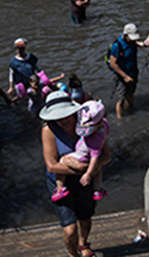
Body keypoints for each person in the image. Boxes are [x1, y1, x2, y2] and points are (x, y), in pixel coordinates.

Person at [39, 91, 110, 257]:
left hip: (86, 179)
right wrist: (82, 169)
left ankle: (83, 244)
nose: (63, 120)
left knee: (85, 218)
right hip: (60, 183)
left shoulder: (92, 123)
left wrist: (82, 168)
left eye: (66, 115)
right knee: (70, 230)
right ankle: (73, 254)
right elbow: (52, 166)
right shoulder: (48, 130)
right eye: (58, 117)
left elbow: (106, 157)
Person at [52, 100, 109, 203]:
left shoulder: (93, 140)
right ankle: (97, 190)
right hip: (89, 158)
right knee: (98, 169)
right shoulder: (103, 126)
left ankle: (60, 189)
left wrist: (87, 173)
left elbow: (95, 158)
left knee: (63, 160)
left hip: (81, 156)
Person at [109, 23, 145, 118]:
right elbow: (113, 64)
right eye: (131, 37)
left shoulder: (132, 42)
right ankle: (120, 119)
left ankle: (130, 111)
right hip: (122, 76)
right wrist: (125, 76)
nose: (133, 40)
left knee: (130, 94)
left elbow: (135, 43)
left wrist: (143, 44)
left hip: (133, 73)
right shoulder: (117, 45)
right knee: (120, 99)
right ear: (125, 35)